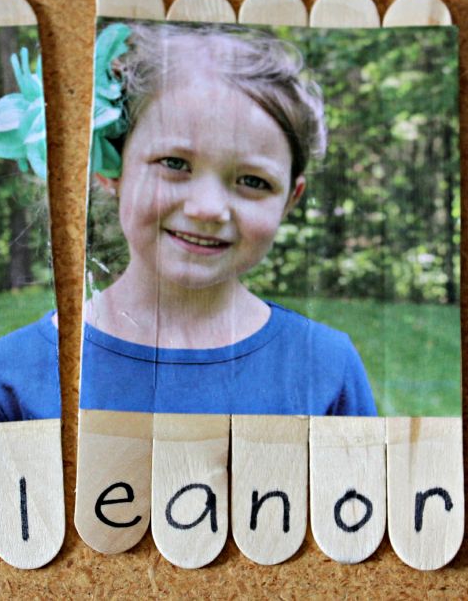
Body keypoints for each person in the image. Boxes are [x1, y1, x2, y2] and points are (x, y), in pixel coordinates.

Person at [80, 20, 377, 416]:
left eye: (253, 180)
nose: (207, 208)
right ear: (111, 165)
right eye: (174, 163)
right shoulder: (6, 377)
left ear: (291, 198)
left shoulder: (325, 368)